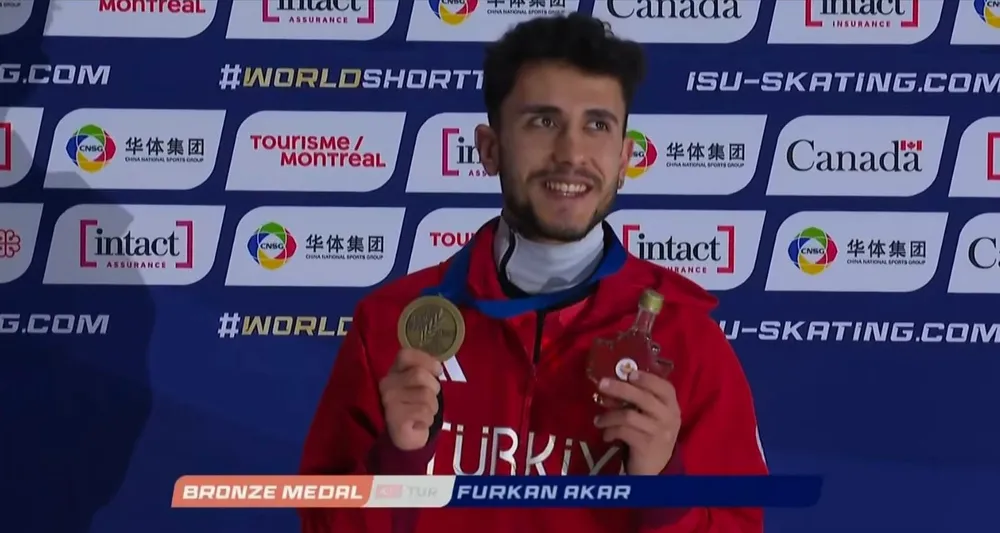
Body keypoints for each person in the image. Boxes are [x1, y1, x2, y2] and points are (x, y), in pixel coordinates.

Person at [299, 13, 767, 533]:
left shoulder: (687, 340)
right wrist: (399, 461)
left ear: (624, 158)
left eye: (597, 125)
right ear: (490, 148)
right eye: (543, 122)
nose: (571, 154)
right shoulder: (392, 323)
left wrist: (662, 491)